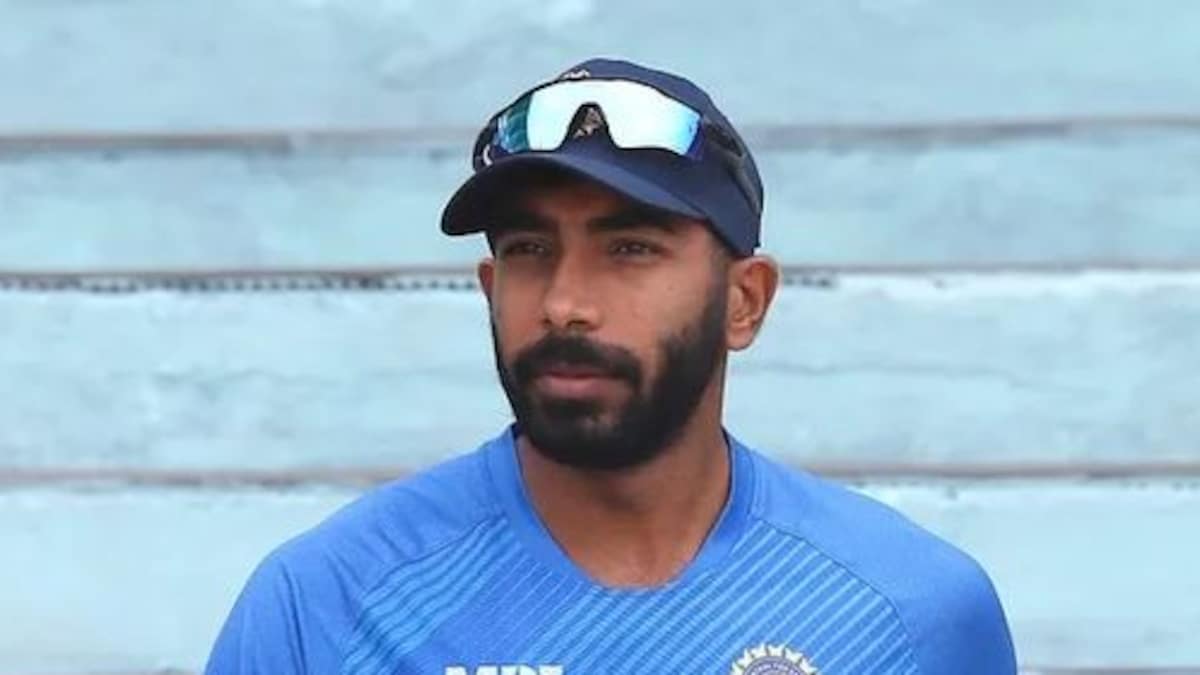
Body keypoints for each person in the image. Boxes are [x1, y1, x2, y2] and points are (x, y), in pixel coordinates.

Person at [205, 57, 1017, 675]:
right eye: (530, 249)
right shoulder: (327, 607)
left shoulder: (910, 612)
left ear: (745, 302)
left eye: (630, 248)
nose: (565, 303)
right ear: (490, 288)